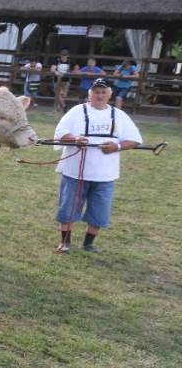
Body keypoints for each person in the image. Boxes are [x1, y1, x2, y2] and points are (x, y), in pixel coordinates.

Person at [52, 78, 141, 254]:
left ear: (109, 95)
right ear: (89, 95)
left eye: (103, 92)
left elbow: (135, 140)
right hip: (74, 172)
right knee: (68, 208)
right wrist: (76, 139)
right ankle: (65, 242)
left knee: (99, 211)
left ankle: (88, 244)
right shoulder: (76, 111)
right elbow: (60, 134)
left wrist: (117, 147)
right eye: (96, 92)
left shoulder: (119, 115)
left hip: (105, 175)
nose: (99, 95)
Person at [51, 49, 72, 114]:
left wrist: (73, 72)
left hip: (66, 80)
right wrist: (55, 71)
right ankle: (65, 106)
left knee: (62, 95)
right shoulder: (56, 61)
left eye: (65, 55)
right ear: (60, 55)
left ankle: (57, 110)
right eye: (63, 55)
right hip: (57, 80)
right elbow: (52, 69)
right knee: (58, 94)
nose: (64, 56)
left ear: (67, 55)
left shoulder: (70, 61)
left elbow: (76, 67)